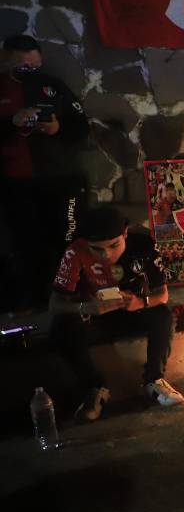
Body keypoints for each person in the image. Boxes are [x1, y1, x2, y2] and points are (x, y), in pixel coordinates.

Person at [49, 205, 183, 421]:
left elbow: (162, 294)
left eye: (114, 245)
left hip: (132, 312)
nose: (107, 255)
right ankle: (94, 389)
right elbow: (55, 305)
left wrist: (140, 302)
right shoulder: (75, 251)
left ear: (125, 234)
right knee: (61, 328)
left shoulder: (143, 245)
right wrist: (86, 307)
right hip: (94, 320)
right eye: (97, 249)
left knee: (163, 316)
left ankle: (153, 381)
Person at [0, 34, 89, 314]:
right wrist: (12, 124)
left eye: (35, 66)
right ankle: (31, 302)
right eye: (23, 67)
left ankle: (66, 297)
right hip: (15, 182)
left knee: (64, 240)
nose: (30, 72)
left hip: (59, 179)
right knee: (24, 244)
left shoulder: (52, 85)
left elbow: (81, 127)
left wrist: (57, 128)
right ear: (5, 60)